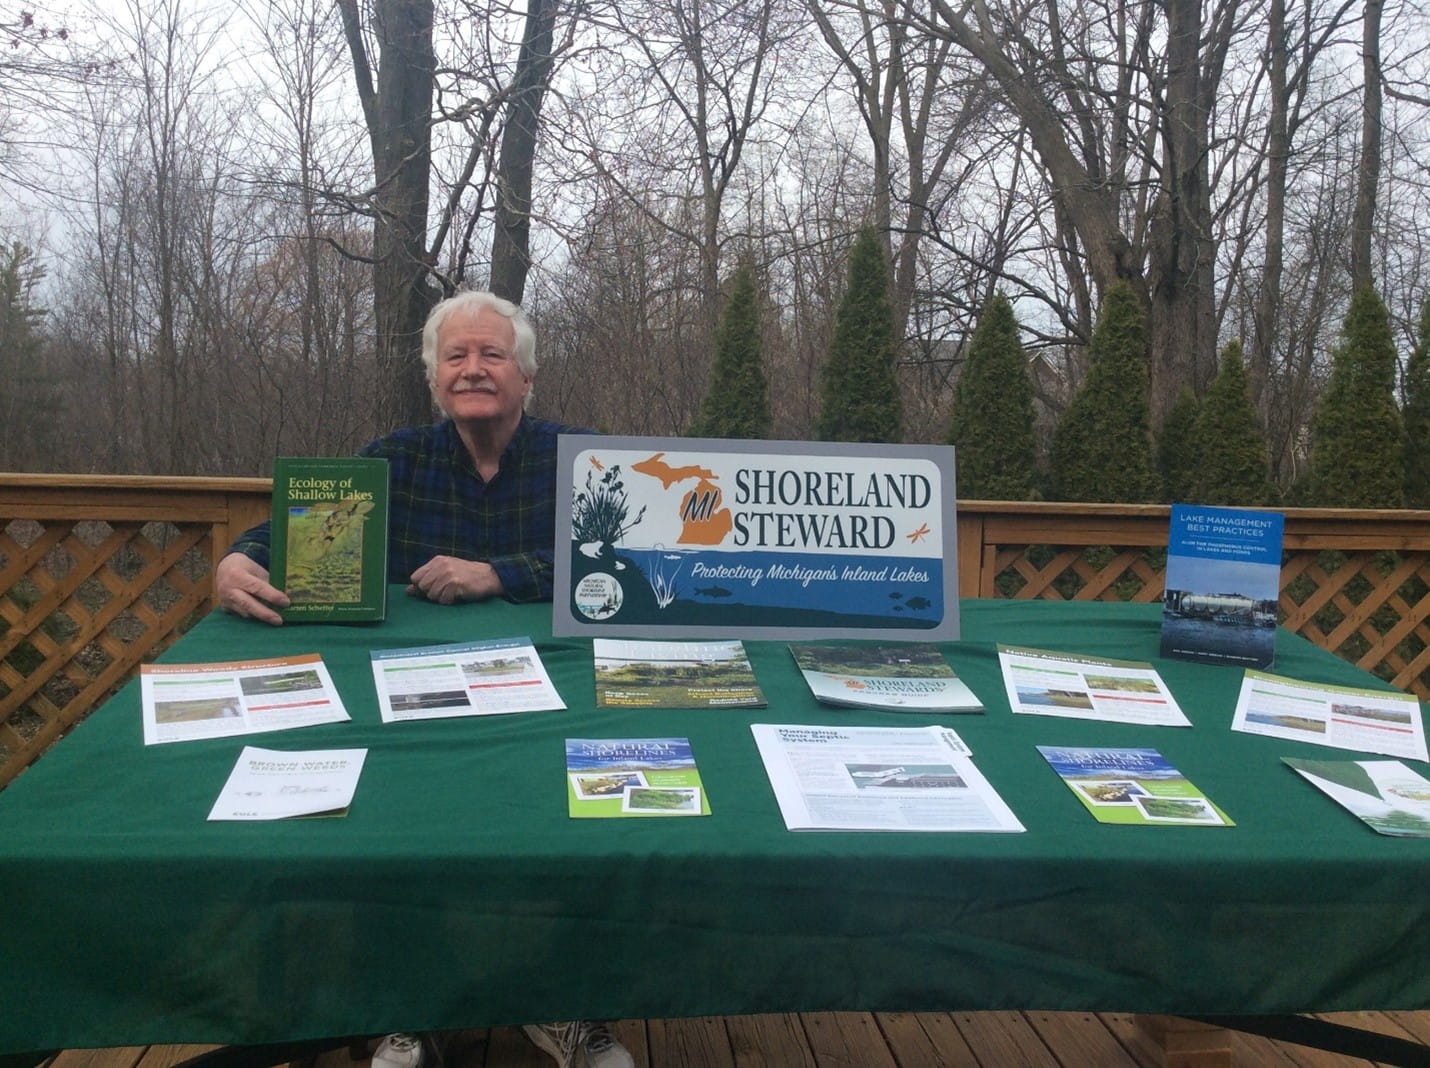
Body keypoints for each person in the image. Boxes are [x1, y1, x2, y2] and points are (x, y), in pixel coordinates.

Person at [215, 291, 632, 1068]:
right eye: (456, 357)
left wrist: (498, 573)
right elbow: (301, 535)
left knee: (578, 830)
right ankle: (407, 1007)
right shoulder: (393, 461)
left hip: (558, 696)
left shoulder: (587, 459)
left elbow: (629, 561)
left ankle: (567, 1005)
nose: (473, 369)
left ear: (527, 376)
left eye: (492, 355)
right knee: (399, 830)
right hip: (417, 697)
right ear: (436, 377)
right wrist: (241, 555)